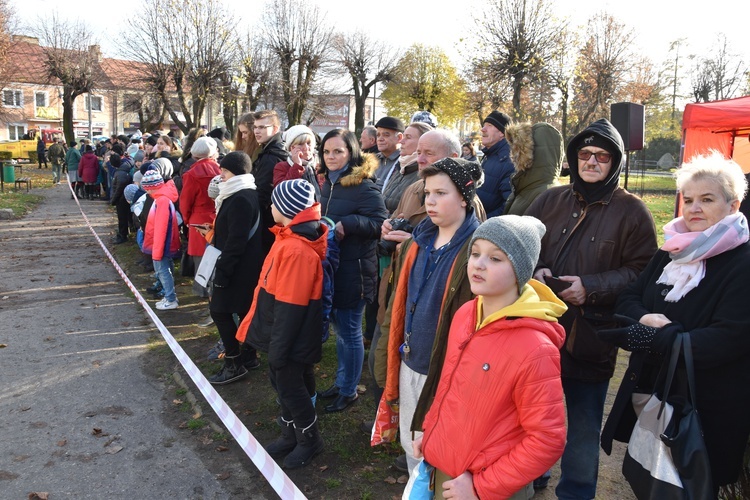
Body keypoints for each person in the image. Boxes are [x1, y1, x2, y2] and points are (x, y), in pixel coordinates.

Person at [600, 151, 750, 496]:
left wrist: (660, 336)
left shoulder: (742, 262)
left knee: (694, 484)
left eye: (707, 199)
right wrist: (644, 318)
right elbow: (628, 299)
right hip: (658, 393)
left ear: (733, 206)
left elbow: (731, 337)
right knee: (654, 480)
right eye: (690, 199)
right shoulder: (672, 252)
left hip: (708, 404)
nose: (694, 208)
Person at [524, 118, 657, 498]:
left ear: (615, 162)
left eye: (602, 155)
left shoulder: (633, 211)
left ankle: (576, 493)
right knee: (532, 419)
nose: (592, 161)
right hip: (537, 334)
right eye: (585, 154)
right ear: (573, 158)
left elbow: (643, 273)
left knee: (582, 432)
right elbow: (521, 245)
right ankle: (532, 477)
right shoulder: (550, 198)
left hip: (590, 339)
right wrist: (536, 268)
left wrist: (592, 288)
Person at [413, 215, 567, 499]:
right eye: (475, 253)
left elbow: (547, 439)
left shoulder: (535, 348)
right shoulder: (466, 314)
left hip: (486, 485)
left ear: (520, 270)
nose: (479, 264)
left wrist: (482, 488)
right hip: (447, 469)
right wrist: (432, 433)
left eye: (496, 259)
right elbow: (449, 386)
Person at [381, 157, 483, 475]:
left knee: (441, 456)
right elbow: (398, 306)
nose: (430, 201)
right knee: (412, 446)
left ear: (465, 197)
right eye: (427, 193)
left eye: (441, 193)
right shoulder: (417, 242)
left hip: (445, 375)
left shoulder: (477, 253)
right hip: (409, 362)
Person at [237, 179, 327, 469]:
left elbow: (291, 306)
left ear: (287, 210)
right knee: (285, 382)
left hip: (290, 336)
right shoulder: (287, 239)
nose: (270, 206)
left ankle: (309, 439)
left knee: (290, 385)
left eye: (275, 203)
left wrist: (279, 348)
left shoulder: (296, 251)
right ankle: (290, 433)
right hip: (285, 333)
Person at [315, 128, 387, 413]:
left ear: (351, 152)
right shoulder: (327, 183)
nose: (331, 157)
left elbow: (381, 224)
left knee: (350, 332)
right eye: (327, 151)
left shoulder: (364, 185)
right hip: (332, 268)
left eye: (338, 151)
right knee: (340, 331)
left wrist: (350, 224)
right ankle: (342, 382)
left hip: (354, 271)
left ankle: (349, 389)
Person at [200, 151, 264, 385]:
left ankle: (234, 362)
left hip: (237, 268)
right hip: (243, 267)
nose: (221, 175)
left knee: (220, 311)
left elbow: (236, 242)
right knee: (244, 311)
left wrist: (223, 273)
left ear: (235, 172)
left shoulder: (240, 198)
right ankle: (249, 355)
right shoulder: (242, 193)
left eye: (224, 171)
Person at [179, 137, 222, 299]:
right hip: (216, 216)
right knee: (214, 254)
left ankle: (202, 291)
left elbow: (185, 201)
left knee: (200, 257)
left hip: (197, 218)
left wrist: (187, 219)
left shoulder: (191, 174)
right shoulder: (220, 170)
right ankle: (213, 290)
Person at [140, 170, 182, 311]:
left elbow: (161, 227)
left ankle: (170, 298)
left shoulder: (162, 200)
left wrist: (156, 250)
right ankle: (169, 296)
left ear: (151, 187)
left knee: (163, 271)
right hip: (162, 243)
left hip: (161, 244)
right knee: (165, 269)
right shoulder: (161, 198)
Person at [503, 122, 563, 215]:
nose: (513, 154)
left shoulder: (548, 195)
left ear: (530, 152)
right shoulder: (526, 185)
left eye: (518, 149)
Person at [252, 110, 289, 256]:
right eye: (255, 127)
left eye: (262, 127)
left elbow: (264, 192)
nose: (257, 131)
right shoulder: (267, 151)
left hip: (269, 219)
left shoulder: (271, 156)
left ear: (275, 129)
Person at [476, 110, 514, 217]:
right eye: (484, 125)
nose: (483, 129)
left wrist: (483, 222)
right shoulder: (490, 155)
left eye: (490, 125)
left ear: (502, 133)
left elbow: (509, 205)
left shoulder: (508, 161)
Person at [273, 124, 321, 200]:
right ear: (291, 148)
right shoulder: (282, 167)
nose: (306, 148)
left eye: (309, 143)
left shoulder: (319, 167)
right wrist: (297, 166)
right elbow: (281, 192)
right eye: (300, 144)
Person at [373, 116, 404, 192]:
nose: (380, 139)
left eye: (386, 135)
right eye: (378, 135)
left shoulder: (403, 163)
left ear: (399, 138)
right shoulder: (372, 161)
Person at [109, 154, 134, 244]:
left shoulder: (120, 173)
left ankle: (123, 235)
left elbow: (119, 188)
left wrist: (113, 200)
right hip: (123, 197)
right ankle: (126, 232)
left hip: (121, 199)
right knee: (125, 216)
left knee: (122, 217)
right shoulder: (125, 168)